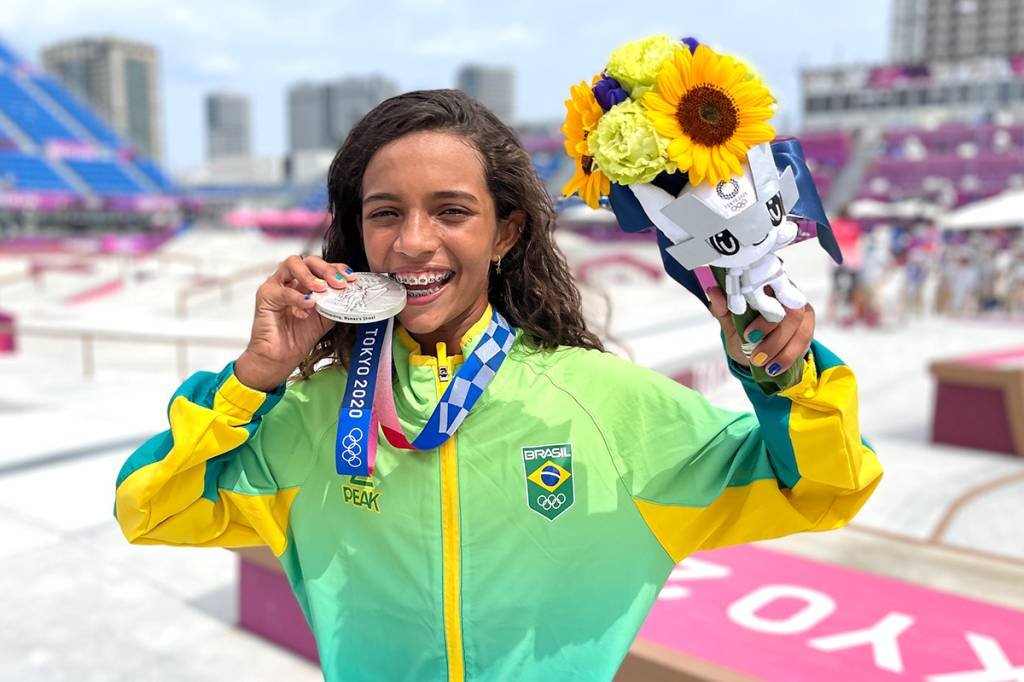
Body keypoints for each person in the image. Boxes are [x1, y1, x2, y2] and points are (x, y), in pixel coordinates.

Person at [113, 89, 882, 682]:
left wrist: (785, 381)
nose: (414, 241)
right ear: (359, 232)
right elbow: (151, 508)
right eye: (386, 214)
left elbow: (824, 488)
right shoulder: (311, 417)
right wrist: (253, 381)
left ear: (506, 231)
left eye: (452, 211)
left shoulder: (607, 404)